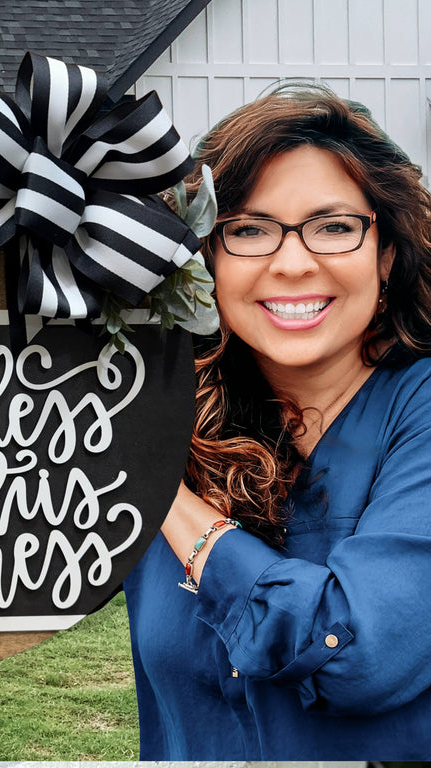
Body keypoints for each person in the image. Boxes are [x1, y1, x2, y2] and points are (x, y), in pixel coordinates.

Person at [122, 83, 431, 759]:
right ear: (207, 260)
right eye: (250, 230)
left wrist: (157, 489)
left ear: (385, 255)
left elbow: (356, 656)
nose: (293, 263)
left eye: (333, 226)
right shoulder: (165, 409)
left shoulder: (420, 412)